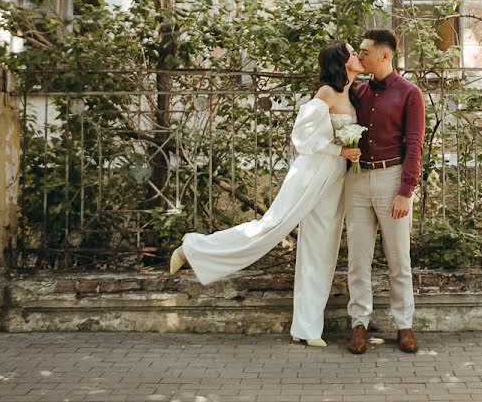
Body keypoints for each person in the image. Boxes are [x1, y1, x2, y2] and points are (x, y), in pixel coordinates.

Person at [169, 41, 364, 347]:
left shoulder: (351, 94)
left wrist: (347, 153)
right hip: (312, 171)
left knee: (322, 249)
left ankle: (307, 328)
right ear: (341, 61)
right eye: (352, 52)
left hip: (336, 178)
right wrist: (340, 149)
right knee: (269, 228)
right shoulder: (326, 92)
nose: (357, 56)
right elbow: (302, 137)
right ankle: (192, 249)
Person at [344, 29, 425, 354]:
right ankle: (358, 325)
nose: (359, 56)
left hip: (392, 179)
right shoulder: (357, 92)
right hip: (357, 180)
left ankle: (404, 326)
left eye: (364, 52)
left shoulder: (410, 93)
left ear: (384, 55)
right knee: (358, 259)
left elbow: (414, 144)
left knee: (398, 259)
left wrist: (405, 190)